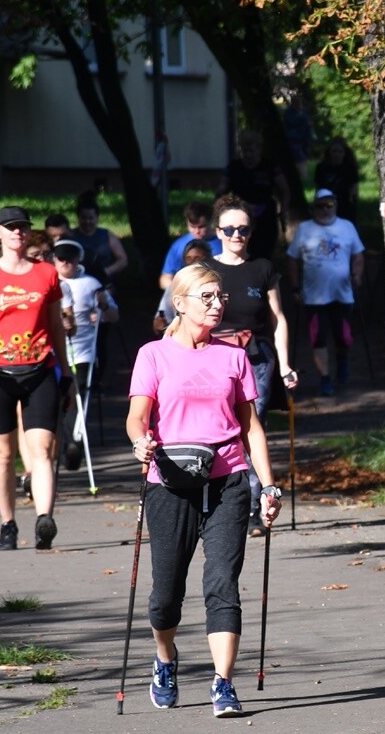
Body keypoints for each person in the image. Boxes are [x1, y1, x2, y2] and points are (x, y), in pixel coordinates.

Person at [126, 261, 282, 717]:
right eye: (207, 298)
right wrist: (141, 441)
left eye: (221, 298)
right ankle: (166, 658)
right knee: (165, 594)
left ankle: (223, 683)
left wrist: (268, 487)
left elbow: (252, 428)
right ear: (180, 303)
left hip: (227, 478)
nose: (217, 305)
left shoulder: (233, 355)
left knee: (221, 582)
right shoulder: (153, 354)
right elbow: (138, 415)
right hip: (170, 482)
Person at [0, 206, 74, 551]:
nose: (17, 233)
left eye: (22, 227)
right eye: (10, 227)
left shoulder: (46, 274)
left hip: (38, 372)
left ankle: (43, 520)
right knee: (4, 455)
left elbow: (55, 328)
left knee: (42, 451)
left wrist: (65, 371)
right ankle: (8, 525)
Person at [210, 194, 298, 535]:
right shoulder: (207, 270)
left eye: (243, 229)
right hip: (216, 358)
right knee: (218, 428)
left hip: (256, 359)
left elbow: (278, 319)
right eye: (229, 229)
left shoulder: (263, 268)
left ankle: (251, 506)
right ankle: (218, 500)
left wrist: (286, 365)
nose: (236, 235)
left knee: (250, 429)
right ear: (218, 231)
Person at [287, 188, 365, 396]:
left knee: (344, 337)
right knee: (317, 338)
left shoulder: (346, 227)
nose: (324, 210)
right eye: (320, 206)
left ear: (335, 206)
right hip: (314, 296)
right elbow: (292, 258)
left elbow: (358, 254)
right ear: (314, 208)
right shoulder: (304, 229)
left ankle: (342, 360)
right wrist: (295, 287)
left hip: (342, 294)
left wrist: (357, 274)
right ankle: (325, 378)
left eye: (328, 205)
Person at [16, 229, 75, 499]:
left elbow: (61, 321)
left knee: (55, 415)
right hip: (20, 358)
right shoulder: (17, 282)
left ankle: (46, 466)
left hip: (51, 357)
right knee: (21, 414)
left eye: (46, 254)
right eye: (35, 254)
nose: (41, 259)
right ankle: (31, 472)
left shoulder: (53, 282)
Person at [53, 237, 119, 469]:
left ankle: (74, 443)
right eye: (60, 259)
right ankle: (60, 445)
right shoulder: (48, 282)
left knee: (78, 395)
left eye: (69, 260)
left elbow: (114, 316)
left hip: (84, 351)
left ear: (78, 260)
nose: (65, 264)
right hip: (53, 352)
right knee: (57, 398)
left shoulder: (92, 283)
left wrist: (103, 308)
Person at [217, 129, 290, 261]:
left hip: (265, 215)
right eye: (245, 151)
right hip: (240, 215)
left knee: (264, 253)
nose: (248, 155)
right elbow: (221, 191)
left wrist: (283, 211)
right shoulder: (234, 167)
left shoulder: (270, 166)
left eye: (252, 151)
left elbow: (284, 189)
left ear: (259, 149)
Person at [158, 201, 222, 290]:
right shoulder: (178, 246)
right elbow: (165, 278)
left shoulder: (223, 242)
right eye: (192, 227)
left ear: (210, 221)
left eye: (201, 227)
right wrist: (178, 290)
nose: (196, 231)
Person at [153, 238, 211, 335]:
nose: (193, 262)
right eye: (189, 258)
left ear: (208, 259)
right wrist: (160, 323)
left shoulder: (218, 285)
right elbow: (161, 319)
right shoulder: (175, 287)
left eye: (197, 258)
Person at [72, 190, 128, 282]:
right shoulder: (71, 235)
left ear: (97, 217)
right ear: (78, 217)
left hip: (103, 281)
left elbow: (123, 260)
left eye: (91, 218)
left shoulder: (107, 235)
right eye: (84, 218)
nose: (87, 222)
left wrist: (106, 271)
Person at [314, 137, 359, 224]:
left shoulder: (350, 168)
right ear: (329, 153)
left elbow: (354, 189)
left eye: (340, 152)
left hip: (344, 203)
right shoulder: (321, 168)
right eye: (334, 151)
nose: (336, 154)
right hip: (325, 202)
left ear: (345, 153)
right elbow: (317, 187)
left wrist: (354, 205)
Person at [283, 95, 313, 181]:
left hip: (305, 139)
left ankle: (303, 177)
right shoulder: (289, 113)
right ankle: (302, 177)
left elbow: (308, 124)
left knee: (303, 157)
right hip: (294, 139)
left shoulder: (304, 112)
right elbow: (290, 123)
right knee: (299, 159)